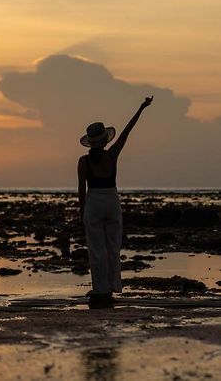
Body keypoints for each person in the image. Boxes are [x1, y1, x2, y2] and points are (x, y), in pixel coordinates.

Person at [77, 96, 154, 307]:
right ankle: (112, 287)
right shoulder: (112, 154)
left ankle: (100, 289)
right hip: (111, 200)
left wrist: (81, 211)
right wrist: (141, 108)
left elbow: (81, 189)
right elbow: (127, 131)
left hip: (93, 201)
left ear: (91, 142)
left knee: (96, 248)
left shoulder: (83, 161)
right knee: (112, 246)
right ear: (105, 140)